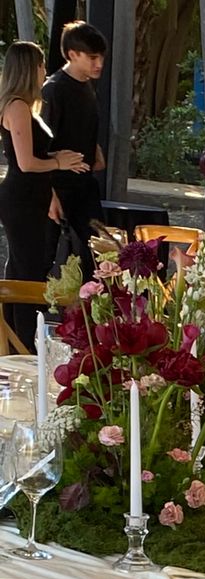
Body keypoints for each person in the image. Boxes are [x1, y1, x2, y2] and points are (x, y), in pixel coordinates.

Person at [0, 41, 86, 348]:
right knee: (28, 267)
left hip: (34, 196)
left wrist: (54, 168)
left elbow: (36, 154)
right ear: (28, 69)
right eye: (39, 66)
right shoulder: (17, 107)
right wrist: (57, 162)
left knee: (28, 264)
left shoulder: (27, 106)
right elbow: (26, 162)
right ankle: (20, 340)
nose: (43, 72)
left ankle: (16, 337)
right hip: (21, 198)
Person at [41, 19, 106, 281]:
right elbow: (39, 145)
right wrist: (49, 194)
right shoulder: (54, 90)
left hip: (84, 184)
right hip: (56, 185)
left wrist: (94, 151)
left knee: (98, 253)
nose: (98, 63)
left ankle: (88, 317)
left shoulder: (87, 87)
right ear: (72, 54)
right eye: (91, 57)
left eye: (100, 56)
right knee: (43, 257)